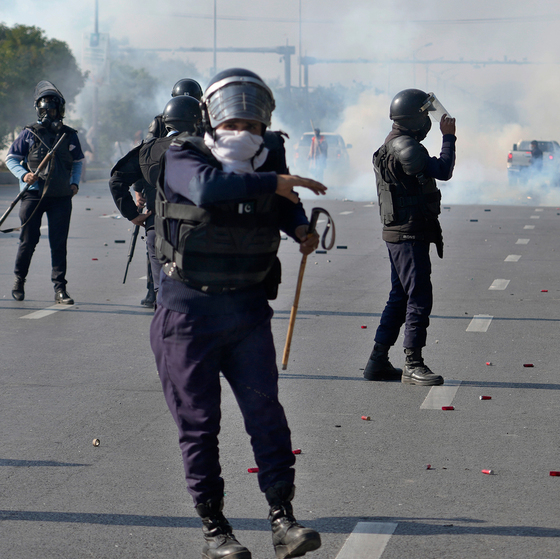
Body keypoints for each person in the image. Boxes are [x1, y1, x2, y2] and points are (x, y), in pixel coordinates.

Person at [150, 68, 326, 559]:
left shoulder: (273, 156)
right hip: (188, 314)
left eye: (252, 126)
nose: (243, 134)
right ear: (211, 119)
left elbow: (284, 204)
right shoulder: (184, 154)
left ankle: (283, 520)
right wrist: (276, 180)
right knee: (200, 425)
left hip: (247, 309)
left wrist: (300, 229)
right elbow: (208, 190)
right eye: (233, 124)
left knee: (266, 414)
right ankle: (215, 529)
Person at [363, 88, 456, 386]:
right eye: (425, 116)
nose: (429, 121)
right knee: (418, 296)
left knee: (400, 296)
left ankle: (377, 361)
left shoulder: (395, 142)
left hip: (402, 232)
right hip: (407, 234)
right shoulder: (407, 147)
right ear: (414, 119)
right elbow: (443, 170)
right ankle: (413, 363)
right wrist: (449, 137)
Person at [109, 95, 203, 307]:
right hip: (196, 231)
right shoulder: (208, 148)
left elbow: (116, 179)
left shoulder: (148, 148)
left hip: (157, 228)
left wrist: (132, 215)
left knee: (164, 297)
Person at [5, 80, 85, 304]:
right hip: (33, 195)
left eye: (53, 110)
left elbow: (78, 161)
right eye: (45, 110)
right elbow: (11, 159)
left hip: (61, 196)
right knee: (28, 241)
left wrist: (74, 183)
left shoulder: (69, 135)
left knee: (59, 244)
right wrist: (23, 175)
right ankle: (19, 280)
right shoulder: (29, 133)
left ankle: (60, 289)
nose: (49, 114)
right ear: (39, 112)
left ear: (60, 111)